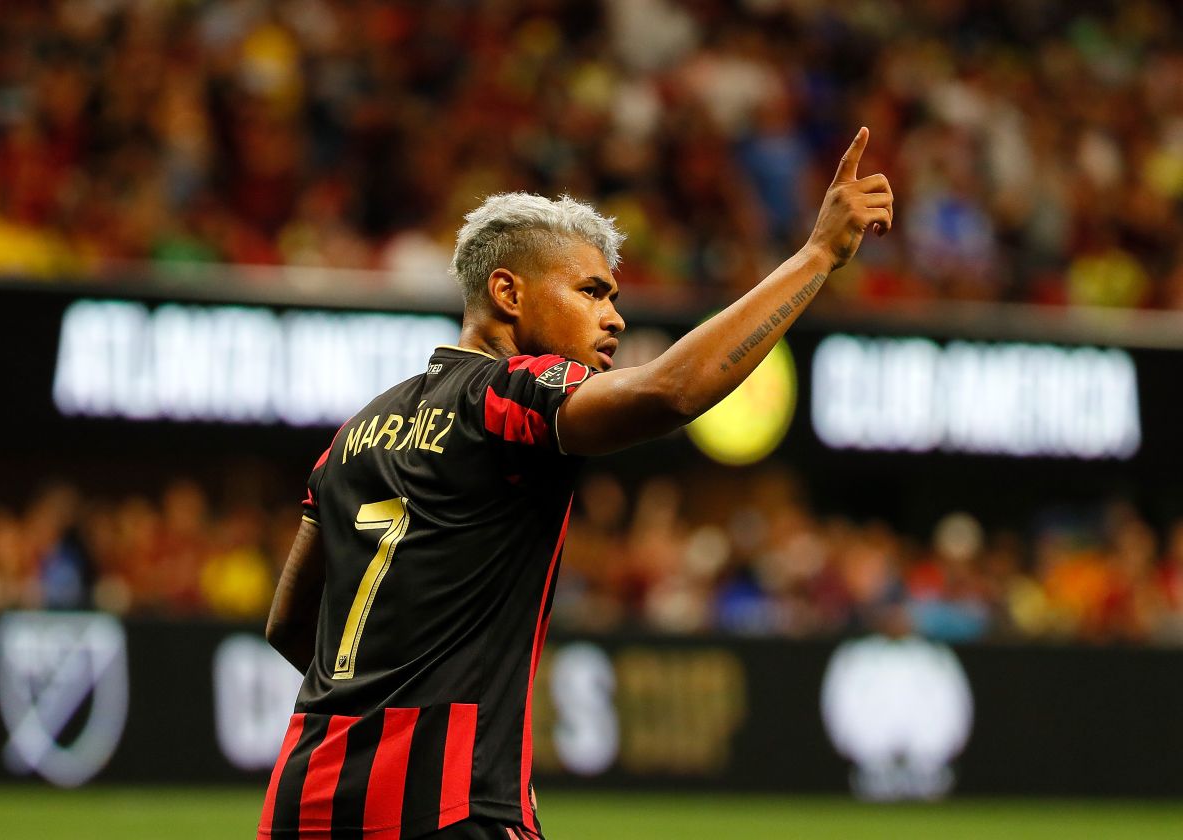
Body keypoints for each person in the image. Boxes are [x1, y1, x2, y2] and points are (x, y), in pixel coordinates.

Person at [260, 128, 892, 840]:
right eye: (591, 291)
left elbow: (289, 624)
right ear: (507, 293)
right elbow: (671, 392)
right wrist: (815, 258)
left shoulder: (354, 433)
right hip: (447, 801)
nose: (614, 315)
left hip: (305, 797)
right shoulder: (506, 393)